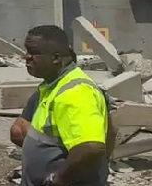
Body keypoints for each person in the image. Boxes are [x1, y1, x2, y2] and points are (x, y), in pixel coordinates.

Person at [20, 25, 110, 186]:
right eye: (27, 51)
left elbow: (91, 147)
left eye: (33, 53)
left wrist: (60, 180)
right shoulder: (53, 86)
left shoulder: (75, 93)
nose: (26, 57)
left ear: (56, 58)